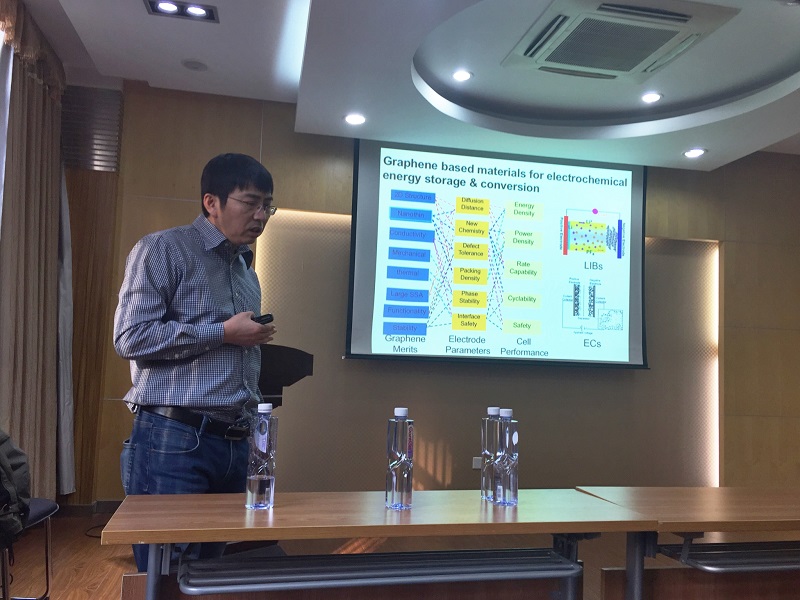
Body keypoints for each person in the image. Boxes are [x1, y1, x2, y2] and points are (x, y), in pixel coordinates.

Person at [114, 153, 277, 571]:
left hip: (235, 442)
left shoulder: (246, 271)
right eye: (250, 202)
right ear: (211, 202)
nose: (261, 216)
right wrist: (222, 332)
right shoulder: (162, 250)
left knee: (208, 574)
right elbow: (130, 336)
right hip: (175, 438)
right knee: (166, 574)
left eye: (267, 206)